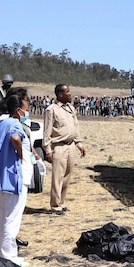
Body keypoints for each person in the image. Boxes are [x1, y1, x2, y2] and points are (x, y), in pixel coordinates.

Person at [0, 93, 33, 265]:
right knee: (13, 217)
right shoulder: (14, 123)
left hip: (5, 175)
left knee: (6, 215)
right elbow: (15, 138)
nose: (27, 108)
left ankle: (8, 253)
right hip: (15, 175)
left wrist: (1, 156)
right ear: (17, 109)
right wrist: (18, 154)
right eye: (26, 105)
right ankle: (9, 257)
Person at [43, 84, 86, 213]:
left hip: (71, 146)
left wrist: (79, 144)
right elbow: (47, 132)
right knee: (58, 177)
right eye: (67, 92)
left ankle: (62, 202)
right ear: (60, 94)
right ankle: (55, 205)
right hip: (59, 147)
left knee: (67, 176)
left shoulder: (70, 109)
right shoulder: (51, 110)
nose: (70, 93)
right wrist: (48, 150)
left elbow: (75, 127)